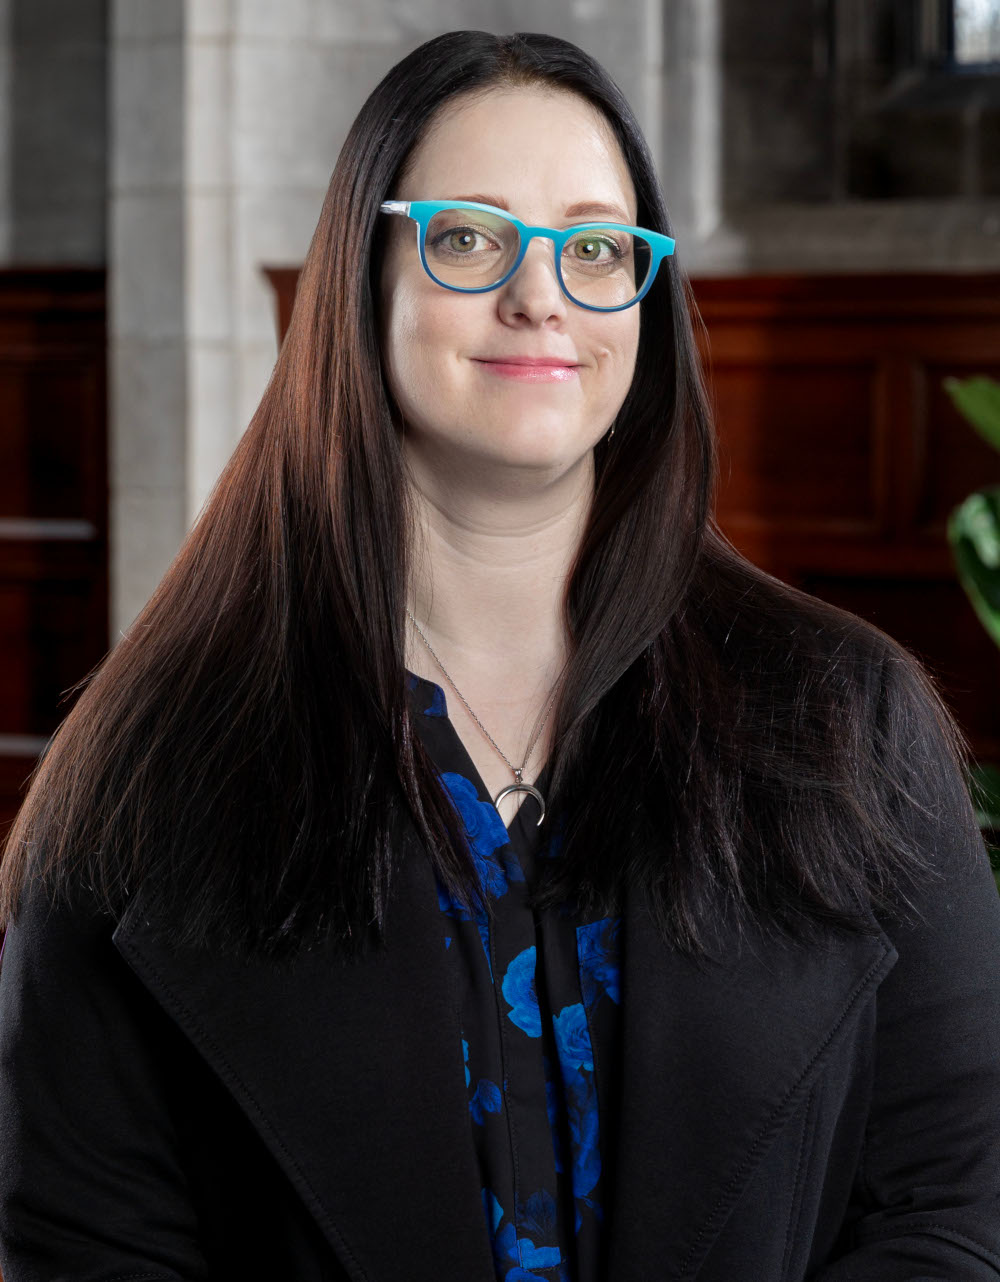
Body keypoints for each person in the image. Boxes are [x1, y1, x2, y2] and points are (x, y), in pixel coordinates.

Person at [1, 27, 999, 1282]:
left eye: (593, 248)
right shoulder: (153, 768)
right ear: (365, 274)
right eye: (470, 237)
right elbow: (91, 1249)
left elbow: (954, 1204)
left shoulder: (849, 719)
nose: (541, 296)